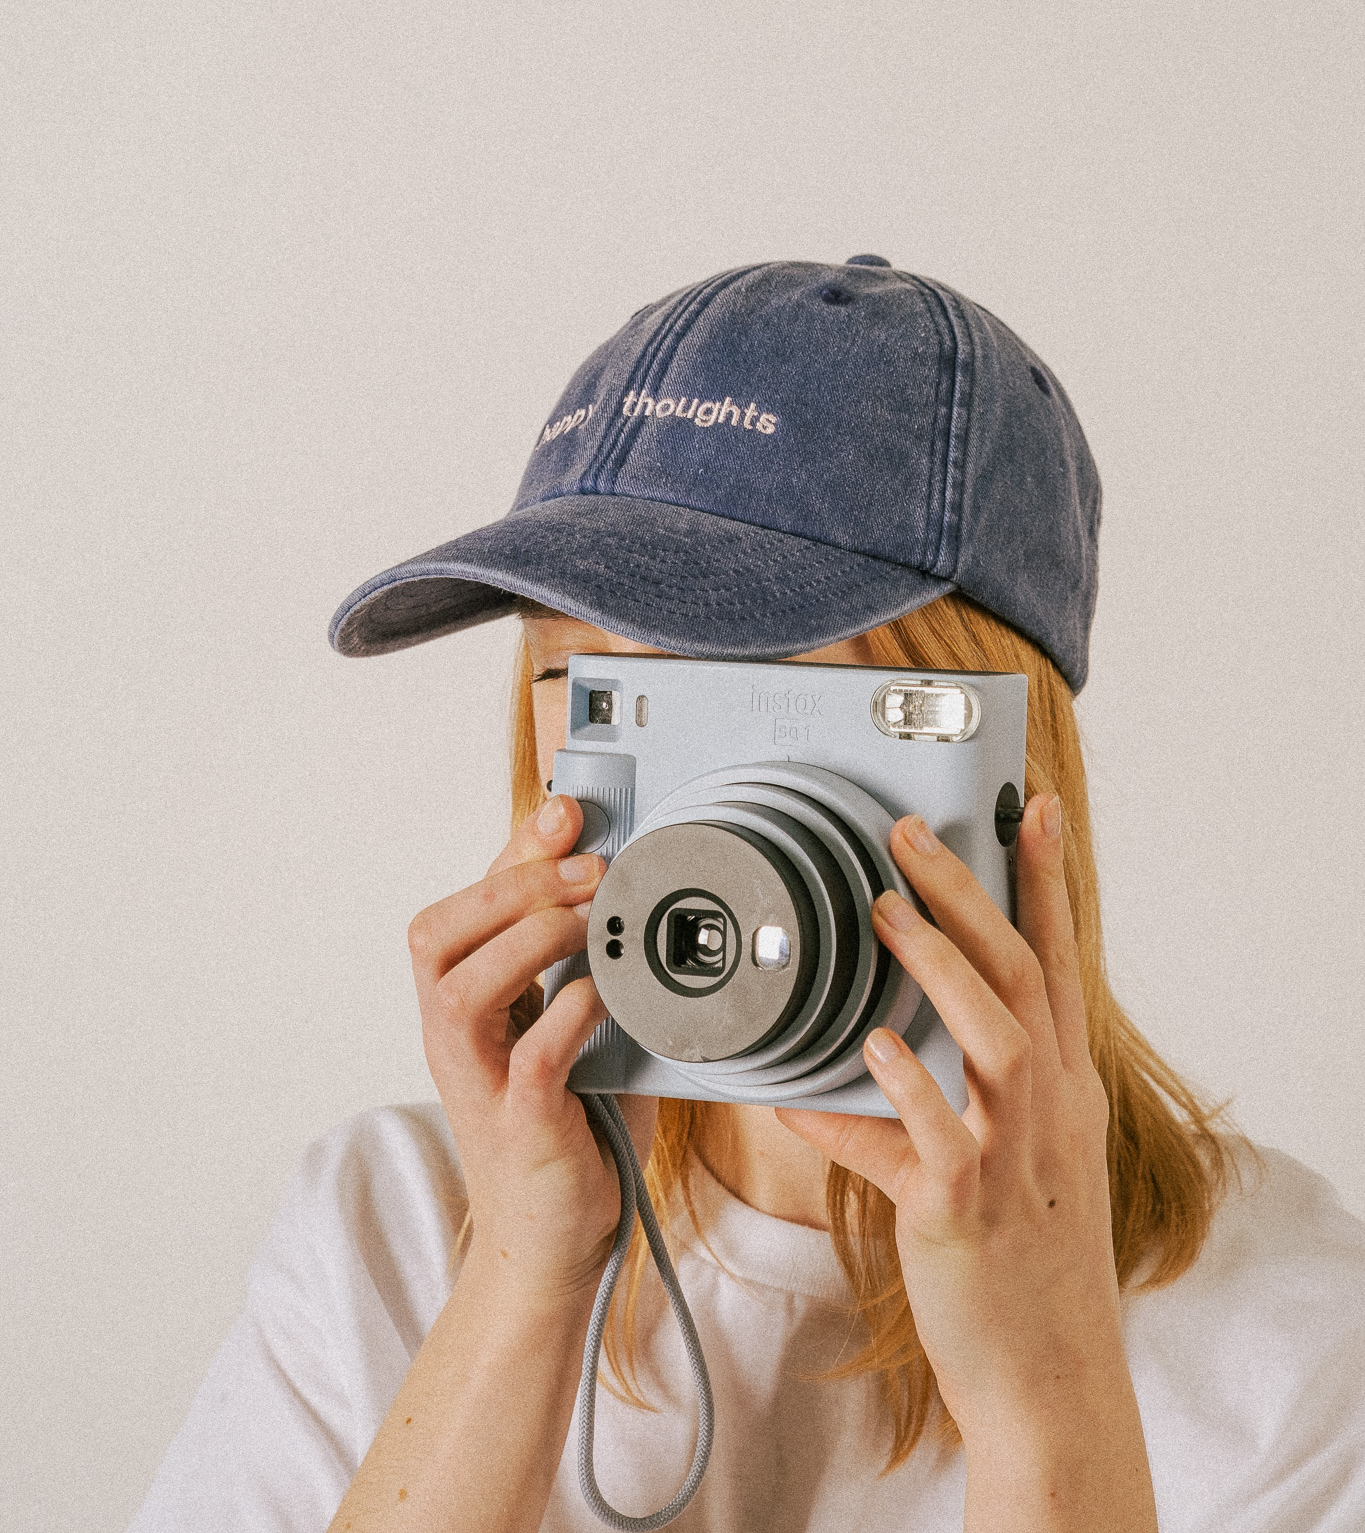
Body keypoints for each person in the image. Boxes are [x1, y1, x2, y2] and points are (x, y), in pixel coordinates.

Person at [129, 257, 1365, 1533]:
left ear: (983, 732)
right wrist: (522, 1273)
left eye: (742, 679)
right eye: (594, 686)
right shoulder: (384, 1229)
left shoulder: (1286, 1332)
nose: (678, 798)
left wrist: (1048, 1403)